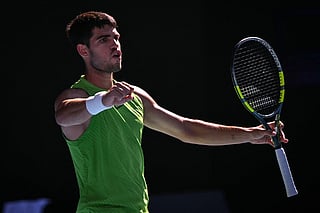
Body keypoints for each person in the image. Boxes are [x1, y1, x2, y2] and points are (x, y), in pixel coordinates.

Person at [54, 11, 289, 213]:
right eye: (104, 40)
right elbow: (63, 116)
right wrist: (103, 101)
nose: (115, 45)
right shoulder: (76, 96)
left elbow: (186, 129)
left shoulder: (134, 96)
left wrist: (251, 134)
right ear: (83, 50)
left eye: (116, 38)